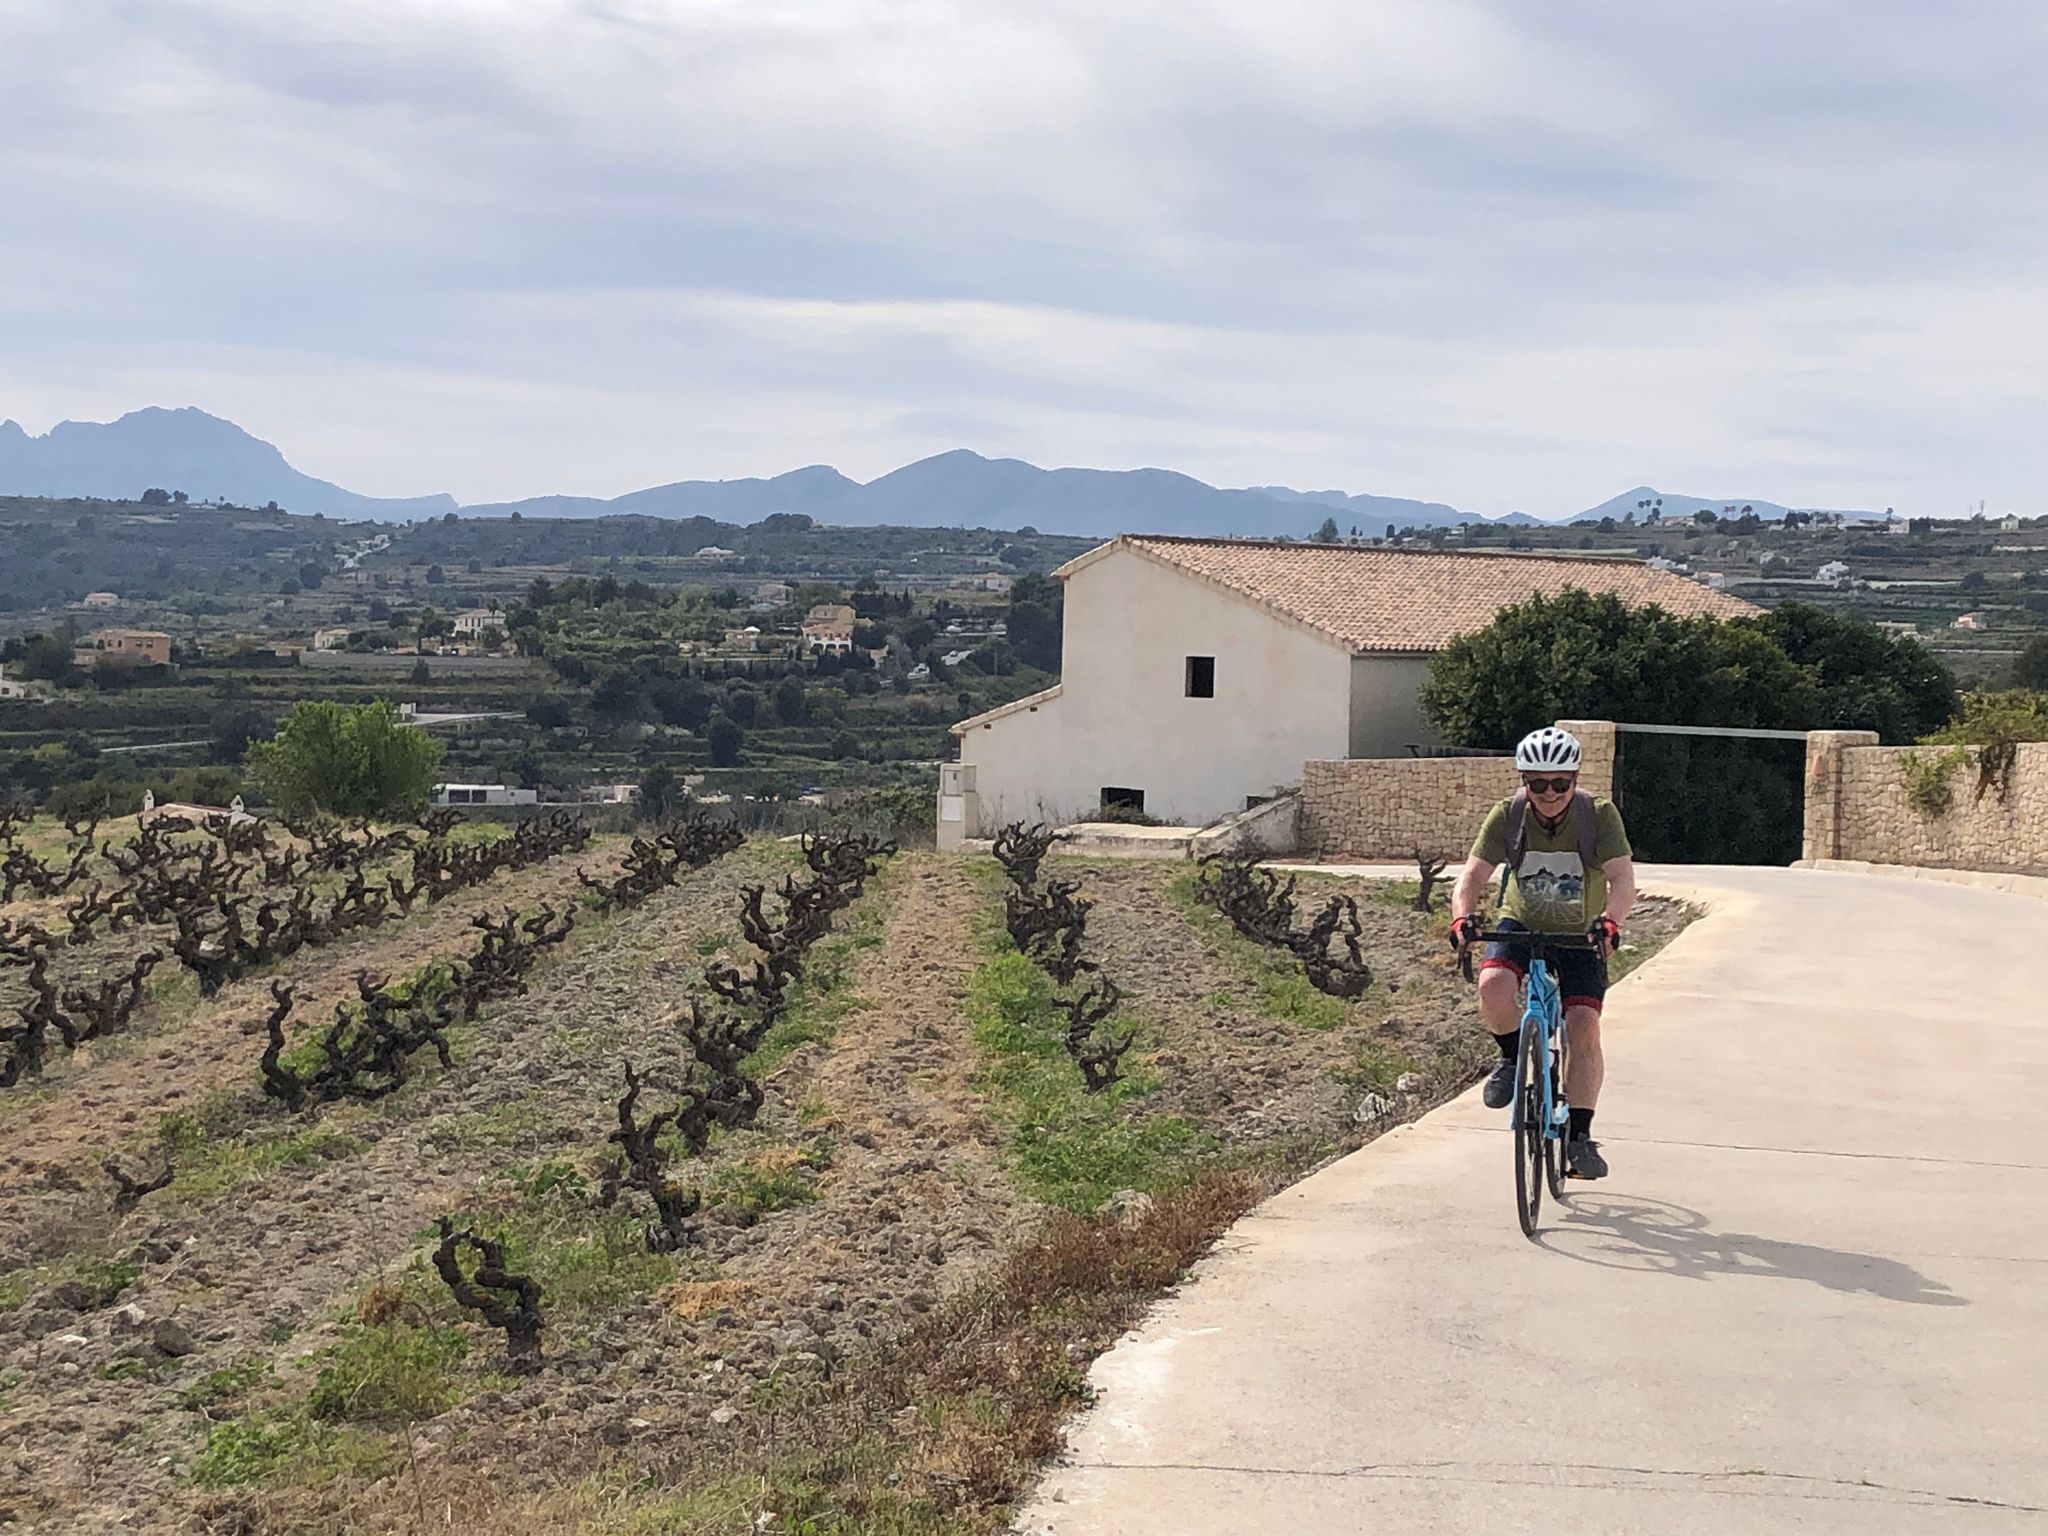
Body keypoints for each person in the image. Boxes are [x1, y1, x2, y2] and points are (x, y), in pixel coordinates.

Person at [1448, 726, 1636, 1180]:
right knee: (1493, 986)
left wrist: (1611, 922)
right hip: (1521, 922)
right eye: (1538, 784)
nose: (1549, 793)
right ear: (1524, 782)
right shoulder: (1507, 816)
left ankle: (1580, 1137)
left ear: (1574, 779)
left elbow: (1622, 880)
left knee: (1584, 1026)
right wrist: (1461, 917)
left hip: (1581, 933)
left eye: (1560, 784)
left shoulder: (1599, 815)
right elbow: (1472, 876)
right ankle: (1513, 1057)